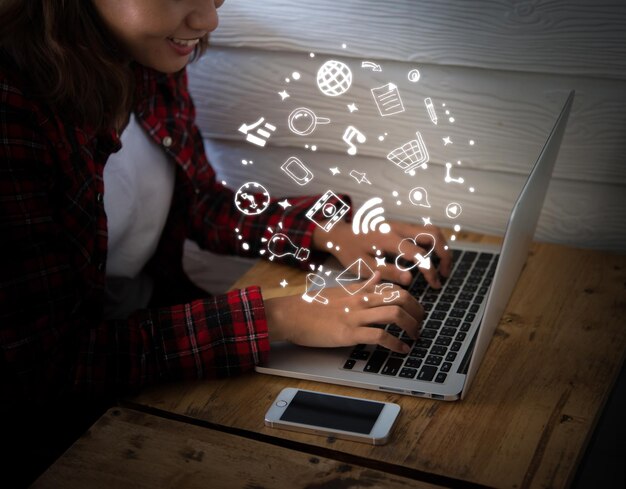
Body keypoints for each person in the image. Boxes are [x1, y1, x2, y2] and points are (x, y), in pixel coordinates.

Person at [0, 0, 450, 452]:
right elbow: (46, 365)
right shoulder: (13, 110)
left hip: (156, 355)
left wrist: (329, 229)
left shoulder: (144, 56)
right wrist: (277, 317)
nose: (209, 19)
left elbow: (198, 203)